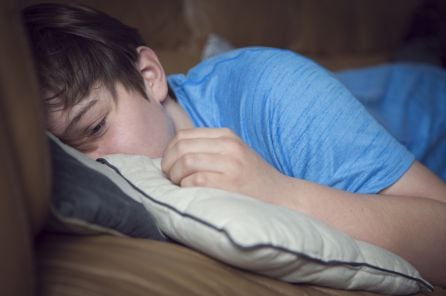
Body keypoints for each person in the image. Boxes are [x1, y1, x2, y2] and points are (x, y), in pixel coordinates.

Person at [23, 3, 446, 285]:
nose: (99, 165)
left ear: (150, 76)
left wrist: (279, 192)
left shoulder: (276, 88)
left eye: (96, 128)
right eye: (72, 155)